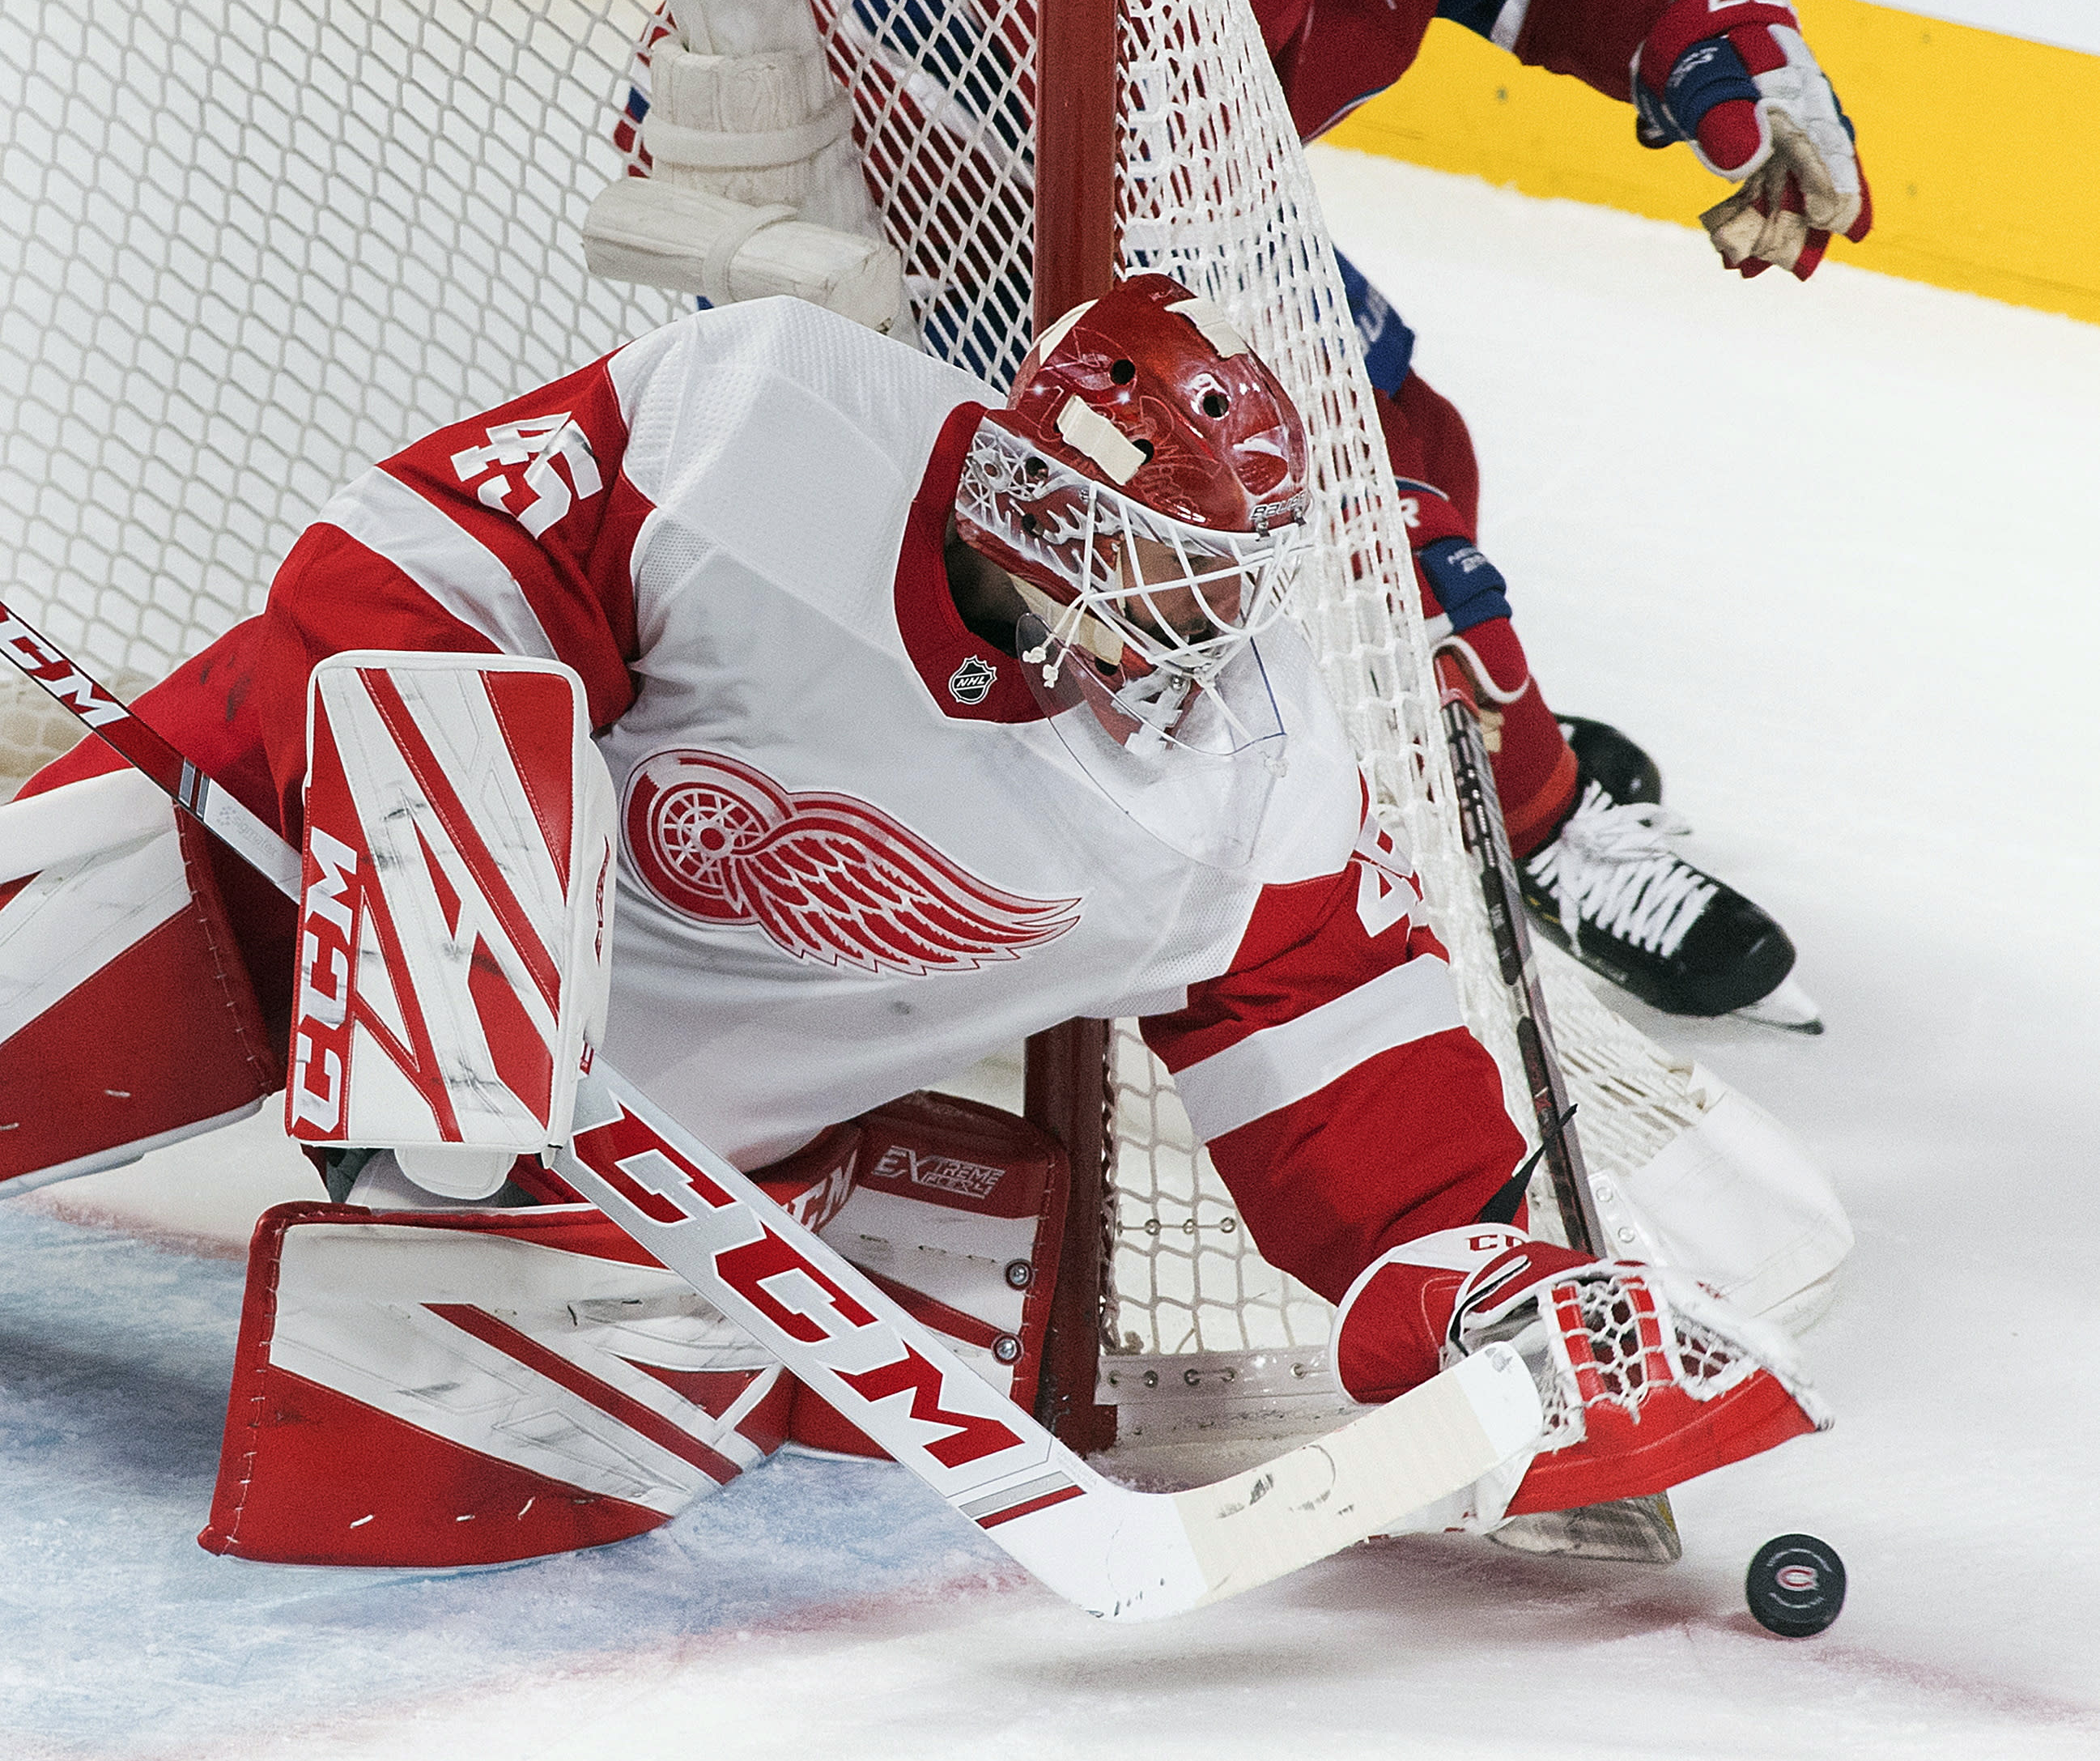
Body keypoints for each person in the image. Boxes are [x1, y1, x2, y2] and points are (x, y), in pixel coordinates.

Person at [0, 277, 1822, 1563]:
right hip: (311, 873)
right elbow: (398, 581)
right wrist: (463, 928)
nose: (1176, 624)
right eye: (1142, 561)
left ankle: (812, 1232)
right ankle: (460, 1129)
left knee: (390, 1463)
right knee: (67, 940)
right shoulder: (764, 416)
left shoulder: (1257, 783)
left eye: (1213, 581)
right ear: (1024, 486)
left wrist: (1470, 1282)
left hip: (653, 1158)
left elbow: (1363, 1107)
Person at [1078, 0, 1864, 1030]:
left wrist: (1697, 43)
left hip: (1147, 177)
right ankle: (1533, 827)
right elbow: (1147, 211)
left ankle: (1424, 728)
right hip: (920, 188)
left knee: (1393, 441)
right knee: (1345, 472)